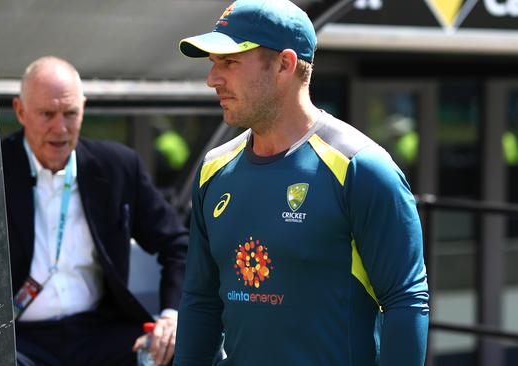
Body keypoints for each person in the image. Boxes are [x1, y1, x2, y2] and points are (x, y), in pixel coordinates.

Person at [173, 0, 430, 365]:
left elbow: (406, 300)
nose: (213, 78)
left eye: (229, 62)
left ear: (284, 64)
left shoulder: (362, 168)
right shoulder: (214, 169)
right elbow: (200, 300)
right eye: (213, 63)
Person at [0, 56, 188, 366]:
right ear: (21, 111)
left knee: (178, 352)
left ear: (83, 109)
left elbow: (178, 244)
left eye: (70, 113)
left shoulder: (117, 166)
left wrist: (172, 316)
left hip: (98, 331)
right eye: (47, 114)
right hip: (18, 337)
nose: (59, 128)